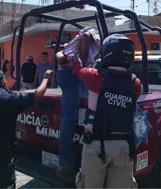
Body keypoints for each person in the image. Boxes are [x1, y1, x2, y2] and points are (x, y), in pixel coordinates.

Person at [59, 34, 142, 188]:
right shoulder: (136, 83)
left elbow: (78, 69)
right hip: (123, 146)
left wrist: (74, 56)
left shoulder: (95, 76)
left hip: (96, 144)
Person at [0, 69, 54, 188]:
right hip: (4, 154)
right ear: (3, 81)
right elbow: (37, 95)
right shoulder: (9, 99)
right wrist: (46, 78)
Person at [55, 27, 101, 181]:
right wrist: (78, 64)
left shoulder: (76, 42)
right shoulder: (95, 33)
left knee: (84, 104)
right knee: (69, 119)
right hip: (71, 73)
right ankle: (64, 165)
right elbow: (87, 36)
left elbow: (61, 52)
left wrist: (63, 57)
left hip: (69, 72)